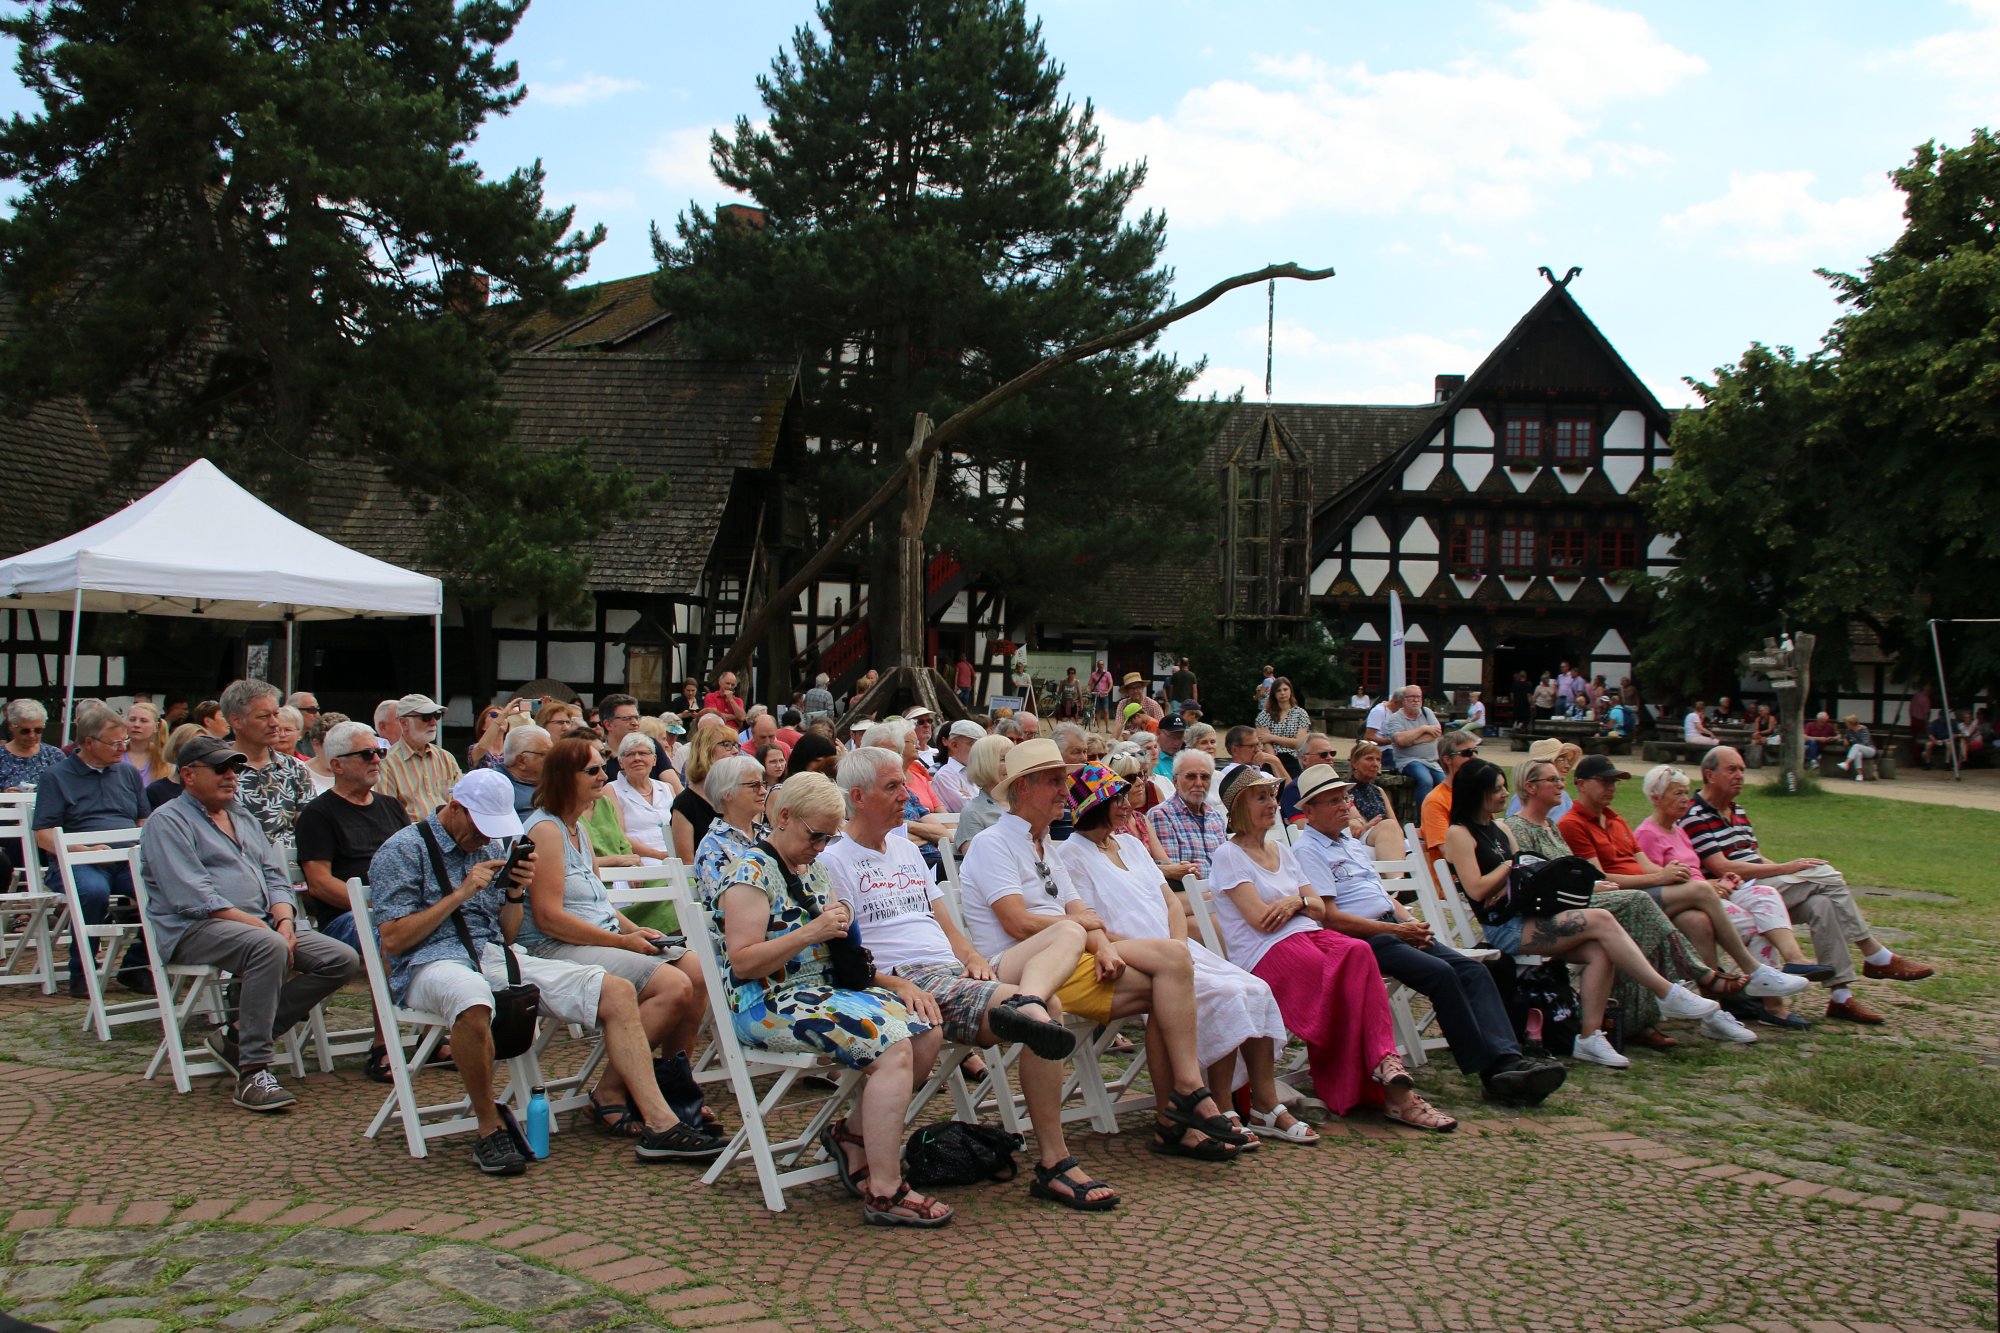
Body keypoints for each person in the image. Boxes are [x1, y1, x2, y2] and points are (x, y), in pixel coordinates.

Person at [370, 771, 723, 1174]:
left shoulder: (499, 843)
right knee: (471, 998)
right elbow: (395, 941)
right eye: (480, 827)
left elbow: (506, 933)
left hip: (494, 953)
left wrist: (515, 893)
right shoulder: (403, 850)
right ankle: (490, 1128)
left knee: (617, 990)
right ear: (455, 808)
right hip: (429, 961)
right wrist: (461, 894)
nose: (487, 838)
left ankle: (661, 1123)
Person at [823, 747, 1121, 1206]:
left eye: (905, 784)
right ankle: (1054, 1163)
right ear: (858, 797)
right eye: (893, 787)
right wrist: (897, 984)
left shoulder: (904, 848)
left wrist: (972, 956)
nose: (906, 794)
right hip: (908, 980)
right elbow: (847, 954)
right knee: (1052, 1010)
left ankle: (1027, 1003)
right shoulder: (835, 860)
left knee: (1067, 929)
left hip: (956, 970)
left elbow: (944, 921)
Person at [958, 739, 1248, 1161]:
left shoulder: (1045, 847)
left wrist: (1099, 944)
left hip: (1072, 955)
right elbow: (1018, 923)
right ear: (1022, 789)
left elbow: (1081, 913)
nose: (1065, 790)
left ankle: (1184, 1098)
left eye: (1064, 782)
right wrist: (1084, 931)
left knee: (1174, 963)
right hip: (1023, 971)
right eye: (1055, 782)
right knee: (1166, 980)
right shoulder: (993, 844)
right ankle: (1178, 1112)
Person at [708, 771, 952, 1224]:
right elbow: (743, 963)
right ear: (784, 817)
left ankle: (854, 1136)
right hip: (768, 1001)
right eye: (816, 835)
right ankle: (884, 1188)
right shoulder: (749, 873)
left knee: (926, 1030)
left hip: (824, 992)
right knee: (893, 1042)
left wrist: (894, 983)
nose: (822, 846)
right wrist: (811, 932)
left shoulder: (813, 868)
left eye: (829, 837)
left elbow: (843, 952)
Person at [1058, 765, 1310, 1145]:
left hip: (1173, 947)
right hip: (1134, 954)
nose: (1128, 806)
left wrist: (1177, 945)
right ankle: (1222, 1105)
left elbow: (1170, 902)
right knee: (1222, 993)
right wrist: (1165, 952)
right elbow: (1090, 924)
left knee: (1253, 988)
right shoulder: (1071, 855)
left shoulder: (1129, 844)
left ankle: (1265, 1102)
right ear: (1098, 805)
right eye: (1120, 799)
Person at [1290, 765, 1563, 1105]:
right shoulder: (1307, 850)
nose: (1345, 805)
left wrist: (1411, 922)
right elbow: (1330, 918)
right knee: (1441, 973)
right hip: (1361, 940)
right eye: (1333, 801)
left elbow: (1379, 895)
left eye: (1344, 797)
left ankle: (1507, 1058)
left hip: (1391, 926)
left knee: (1474, 970)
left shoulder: (1349, 843)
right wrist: (1395, 929)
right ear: (1309, 810)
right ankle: (1492, 1072)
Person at [1207, 764, 1457, 1130]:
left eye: (1273, 796)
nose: (1272, 804)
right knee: (1335, 973)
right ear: (1240, 806)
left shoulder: (1282, 850)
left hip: (1306, 934)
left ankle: (1385, 1062)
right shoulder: (1229, 855)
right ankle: (1392, 1085)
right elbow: (1261, 921)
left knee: (1359, 952)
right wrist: (1301, 903)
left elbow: (1319, 907)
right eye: (1261, 797)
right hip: (1266, 952)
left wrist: (1294, 904)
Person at [1441, 758, 1721, 1069]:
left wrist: (1528, 871)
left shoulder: (1501, 829)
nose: (1505, 794)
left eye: (1504, 787)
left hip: (1530, 915)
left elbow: (1526, 874)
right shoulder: (1460, 833)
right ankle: (1666, 991)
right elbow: (1477, 889)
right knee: (1601, 920)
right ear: (1476, 792)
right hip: (1504, 928)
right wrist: (1511, 865)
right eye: (1496, 790)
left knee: (1600, 950)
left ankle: (1589, 1037)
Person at [140, 734, 360, 1112]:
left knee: (342, 958)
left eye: (235, 768)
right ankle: (253, 1070)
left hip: (261, 924)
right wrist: (264, 930)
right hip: (192, 929)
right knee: (268, 946)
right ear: (189, 775)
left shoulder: (240, 814)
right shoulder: (168, 822)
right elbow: (193, 897)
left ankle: (239, 1036)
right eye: (221, 769)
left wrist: (285, 920)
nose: (231, 776)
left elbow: (276, 877)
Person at [517, 738, 712, 1138]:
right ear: (564, 778)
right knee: (672, 986)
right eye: (592, 771)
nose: (603, 777)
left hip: (597, 937)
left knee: (697, 970)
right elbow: (549, 918)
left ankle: (676, 1087)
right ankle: (610, 1090)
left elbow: (597, 902)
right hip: (554, 948)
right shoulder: (545, 831)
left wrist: (631, 929)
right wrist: (621, 943)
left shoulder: (577, 830)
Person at [1505, 755, 1752, 1048]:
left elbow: (1576, 874)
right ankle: (1700, 979)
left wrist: (1595, 884)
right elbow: (1540, 883)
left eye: (1561, 779)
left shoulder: (1555, 825)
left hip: (1592, 898)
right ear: (1531, 788)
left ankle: (1645, 1019)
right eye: (1554, 780)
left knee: (1679, 915)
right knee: (1642, 903)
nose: (1562, 785)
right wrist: (1603, 885)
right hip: (1560, 911)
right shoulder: (1523, 828)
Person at [1684, 746, 1933, 1025]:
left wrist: (1787, 871)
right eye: (1732, 769)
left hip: (1761, 884)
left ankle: (1840, 997)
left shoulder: (1737, 810)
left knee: (1822, 903)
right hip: (1736, 891)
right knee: (1825, 874)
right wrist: (1787, 869)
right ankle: (1874, 954)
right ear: (1710, 775)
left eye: (1742, 769)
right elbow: (1721, 867)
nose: (1740, 775)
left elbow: (1753, 855)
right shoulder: (1696, 814)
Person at [1559, 756, 1809, 1011]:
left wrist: (1675, 875)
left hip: (1650, 892)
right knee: (1708, 895)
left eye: (1614, 782)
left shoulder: (1615, 819)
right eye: (1604, 781)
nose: (1611, 787)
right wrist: (1665, 878)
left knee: (1697, 919)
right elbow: (1600, 879)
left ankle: (1714, 1008)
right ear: (1581, 784)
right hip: (1625, 898)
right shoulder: (1574, 824)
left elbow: (1647, 865)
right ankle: (1753, 971)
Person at [1635, 764, 1830, 1027]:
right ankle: (1767, 998)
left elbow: (1693, 872)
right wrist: (1705, 887)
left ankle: (1788, 969)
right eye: (1677, 794)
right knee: (1755, 925)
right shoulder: (1648, 833)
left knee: (1765, 893)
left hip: (1704, 894)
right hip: (1684, 905)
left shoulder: (1677, 829)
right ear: (1655, 797)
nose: (1684, 800)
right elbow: (1662, 881)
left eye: (1685, 793)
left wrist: (1719, 881)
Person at [33, 699, 152, 994]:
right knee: (93, 891)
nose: (122, 748)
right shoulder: (57, 776)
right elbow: (43, 834)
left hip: (125, 858)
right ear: (88, 742)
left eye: (124, 740)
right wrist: (83, 851)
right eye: (115, 742)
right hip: (79, 861)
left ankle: (136, 966)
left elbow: (142, 819)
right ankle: (82, 971)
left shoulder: (127, 774)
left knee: (162, 886)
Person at [295, 721, 409, 954]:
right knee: (404, 937)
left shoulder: (392, 806)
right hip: (348, 918)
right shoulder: (318, 814)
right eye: (367, 754)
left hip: (400, 910)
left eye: (379, 752)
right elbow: (319, 884)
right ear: (337, 765)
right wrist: (378, 905)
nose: (377, 760)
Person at [222, 679, 313, 853]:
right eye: (264, 716)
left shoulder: (295, 768)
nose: (274, 723)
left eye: (276, 714)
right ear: (236, 720)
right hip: (235, 867)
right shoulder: (216, 768)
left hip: (290, 871)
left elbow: (309, 829)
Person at [691, 754, 770, 902]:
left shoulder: (767, 835)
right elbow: (727, 904)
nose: (763, 791)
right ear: (726, 793)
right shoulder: (713, 845)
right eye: (754, 785)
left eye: (762, 784)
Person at [378, 693, 462, 820]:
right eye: (426, 717)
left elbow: (462, 802)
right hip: (411, 834)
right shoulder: (387, 763)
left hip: (449, 832)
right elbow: (387, 815)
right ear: (404, 723)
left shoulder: (446, 758)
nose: (434, 722)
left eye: (437, 715)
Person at [1148, 750, 1226, 878]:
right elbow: (1174, 875)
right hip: (1190, 893)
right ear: (1175, 781)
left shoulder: (1215, 817)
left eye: (1205, 777)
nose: (1199, 783)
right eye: (1191, 776)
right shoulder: (1161, 815)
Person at [670, 723, 741, 863]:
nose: (735, 751)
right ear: (705, 751)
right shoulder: (685, 803)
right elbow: (687, 862)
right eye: (727, 745)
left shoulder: (739, 795)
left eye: (736, 745)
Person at [611, 732, 677, 865]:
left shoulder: (666, 788)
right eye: (629, 754)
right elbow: (618, 836)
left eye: (643, 753)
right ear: (621, 762)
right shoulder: (612, 790)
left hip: (675, 858)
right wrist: (659, 855)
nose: (637, 758)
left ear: (654, 760)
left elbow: (679, 828)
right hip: (641, 861)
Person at [1418, 731, 1484, 864]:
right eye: (1467, 753)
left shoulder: (1477, 793)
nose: (1475, 758)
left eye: (1476, 751)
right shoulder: (1435, 801)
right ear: (1447, 760)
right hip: (1452, 878)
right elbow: (1448, 853)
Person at [1373, 686, 1446, 805]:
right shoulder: (1395, 718)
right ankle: (1422, 818)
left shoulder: (1427, 712)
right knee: (1426, 780)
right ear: (1404, 700)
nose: (1416, 700)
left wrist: (1411, 740)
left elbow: (1436, 733)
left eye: (1418, 697)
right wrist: (1423, 729)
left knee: (1444, 783)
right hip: (1409, 761)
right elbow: (1401, 741)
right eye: (1412, 697)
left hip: (1431, 761)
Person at [952, 734, 1015, 852]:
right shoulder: (973, 812)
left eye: (1012, 758)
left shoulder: (1023, 804)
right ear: (984, 764)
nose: (1011, 764)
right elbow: (976, 860)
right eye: (1003, 759)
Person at [1253, 676, 1312, 777]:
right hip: (1270, 757)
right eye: (1278, 690)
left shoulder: (1301, 714)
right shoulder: (1265, 714)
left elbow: (1298, 743)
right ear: (1274, 694)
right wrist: (1275, 762)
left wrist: (1272, 737)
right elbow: (1265, 741)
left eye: (1285, 689)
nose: (1282, 693)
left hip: (1292, 758)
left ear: (1290, 691)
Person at [1, 697, 65, 789]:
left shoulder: (54, 755)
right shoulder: (2, 757)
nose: (32, 735)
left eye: (38, 730)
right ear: (11, 726)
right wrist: (5, 798)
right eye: (25, 731)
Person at [1277, 731, 1339, 825]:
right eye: (1323, 754)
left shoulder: (1337, 784)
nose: (1330, 758)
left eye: (1332, 753)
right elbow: (1302, 826)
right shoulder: (1295, 789)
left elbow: (1355, 817)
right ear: (1305, 759)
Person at [145, 723, 206, 813]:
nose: (201, 754)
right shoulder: (156, 791)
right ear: (176, 750)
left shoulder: (212, 787)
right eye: (193, 748)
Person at [500, 724, 552, 815]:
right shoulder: (497, 787)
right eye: (546, 754)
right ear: (521, 761)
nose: (553, 758)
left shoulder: (555, 780)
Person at [932, 719, 982, 813]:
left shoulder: (978, 772)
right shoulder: (945, 776)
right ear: (954, 745)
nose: (978, 750)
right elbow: (971, 810)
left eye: (980, 746)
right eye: (972, 744)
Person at [299, 710, 348, 795]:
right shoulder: (298, 774)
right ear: (316, 744)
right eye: (334, 744)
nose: (341, 750)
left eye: (346, 744)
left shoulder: (359, 772)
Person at [124, 699, 168, 785]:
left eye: (143, 721)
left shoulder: (163, 758)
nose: (136, 725)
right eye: (132, 719)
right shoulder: (115, 754)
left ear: (156, 727)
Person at [1836, 714, 1877, 781]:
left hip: (1869, 749)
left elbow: (1865, 742)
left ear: (1851, 723)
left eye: (1847, 723)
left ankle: (1846, 763)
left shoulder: (1864, 729)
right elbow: (1845, 736)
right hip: (1858, 750)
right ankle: (1860, 775)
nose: (1846, 725)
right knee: (1858, 754)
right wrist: (1845, 739)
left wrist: (1855, 745)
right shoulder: (1849, 731)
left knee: (1856, 746)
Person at [285, 691, 322, 759]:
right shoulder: (282, 738)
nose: (317, 715)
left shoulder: (316, 738)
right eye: (311, 710)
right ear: (294, 710)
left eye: (318, 710)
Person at [1089, 659, 1114, 724]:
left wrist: (1108, 691)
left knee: (1106, 711)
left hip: (1104, 695)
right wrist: (1087, 689)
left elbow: (1111, 683)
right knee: (1097, 711)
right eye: (1099, 664)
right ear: (1097, 665)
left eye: (1102, 664)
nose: (1101, 666)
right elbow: (1089, 684)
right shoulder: (1094, 674)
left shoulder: (1107, 674)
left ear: (1104, 665)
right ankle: (1098, 728)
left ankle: (1107, 728)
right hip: (1096, 695)